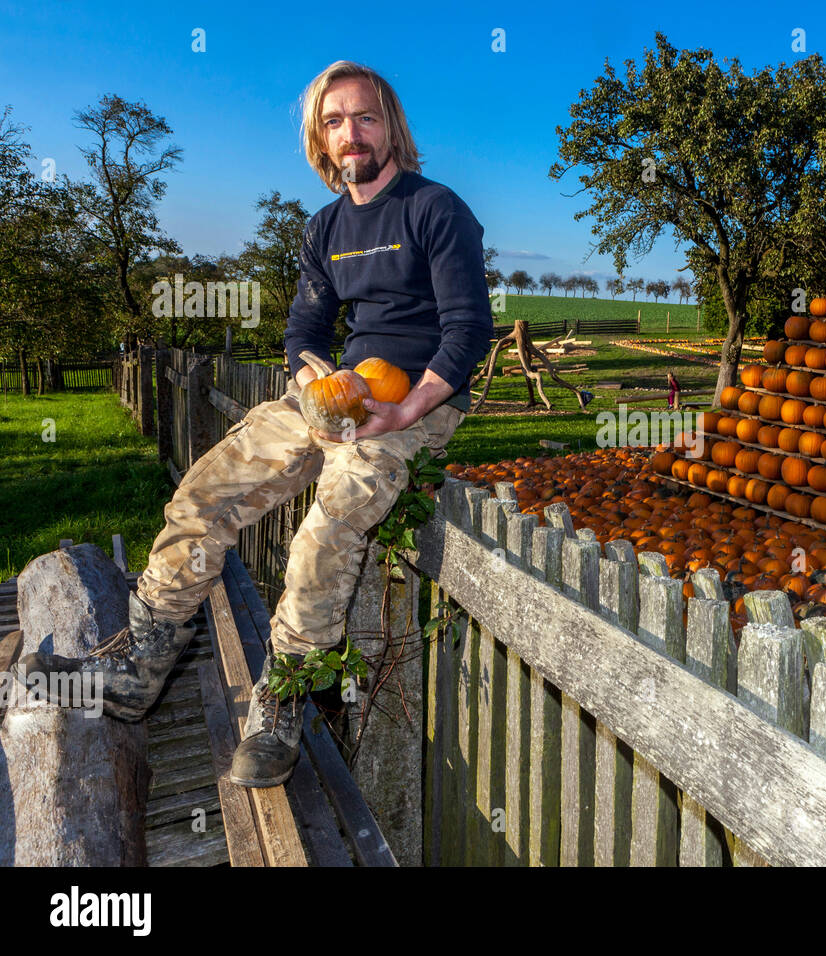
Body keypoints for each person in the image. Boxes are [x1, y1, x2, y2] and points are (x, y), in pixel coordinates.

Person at [19, 61, 493, 788]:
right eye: (334, 122)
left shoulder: (435, 209)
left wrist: (404, 408)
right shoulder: (324, 227)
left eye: (365, 117)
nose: (351, 133)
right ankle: (142, 663)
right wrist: (315, 385)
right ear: (320, 139)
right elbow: (303, 326)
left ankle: (281, 700)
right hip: (340, 393)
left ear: (390, 125)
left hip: (414, 404)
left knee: (331, 523)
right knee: (207, 489)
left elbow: (466, 330)